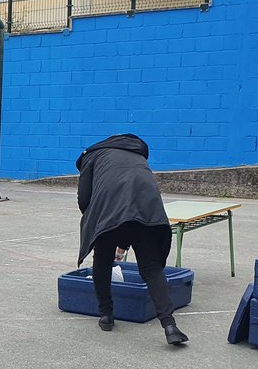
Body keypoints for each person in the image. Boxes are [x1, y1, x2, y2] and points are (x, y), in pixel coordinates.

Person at [76, 134, 188, 345]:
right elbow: (131, 207)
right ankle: (170, 325)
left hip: (109, 208)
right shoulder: (137, 156)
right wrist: (122, 240)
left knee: (102, 259)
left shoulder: (92, 156)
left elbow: (84, 199)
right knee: (151, 268)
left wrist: (97, 225)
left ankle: (106, 315)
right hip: (147, 209)